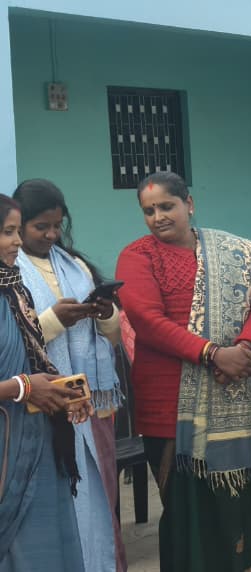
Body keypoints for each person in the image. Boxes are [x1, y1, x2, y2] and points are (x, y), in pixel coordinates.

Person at [116, 171, 251, 571]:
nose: (158, 217)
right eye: (149, 211)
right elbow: (148, 321)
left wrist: (245, 349)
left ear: (189, 204)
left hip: (235, 398)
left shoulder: (231, 251)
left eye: (166, 206)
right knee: (189, 516)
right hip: (171, 410)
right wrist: (213, 354)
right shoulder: (137, 257)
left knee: (247, 500)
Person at [13, 179, 124, 571]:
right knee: (57, 499)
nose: (51, 235)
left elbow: (112, 336)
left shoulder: (75, 265)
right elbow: (13, 341)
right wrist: (55, 320)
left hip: (89, 403)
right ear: (19, 226)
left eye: (57, 226)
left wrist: (104, 312)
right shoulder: (10, 272)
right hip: (40, 404)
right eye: (40, 227)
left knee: (99, 495)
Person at [0, 193, 94, 572]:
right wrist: (25, 388)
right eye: (7, 232)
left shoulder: (14, 289)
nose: (17, 241)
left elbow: (30, 356)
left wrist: (61, 391)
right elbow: (22, 379)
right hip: (6, 452)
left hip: (36, 441)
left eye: (17, 231)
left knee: (46, 550)